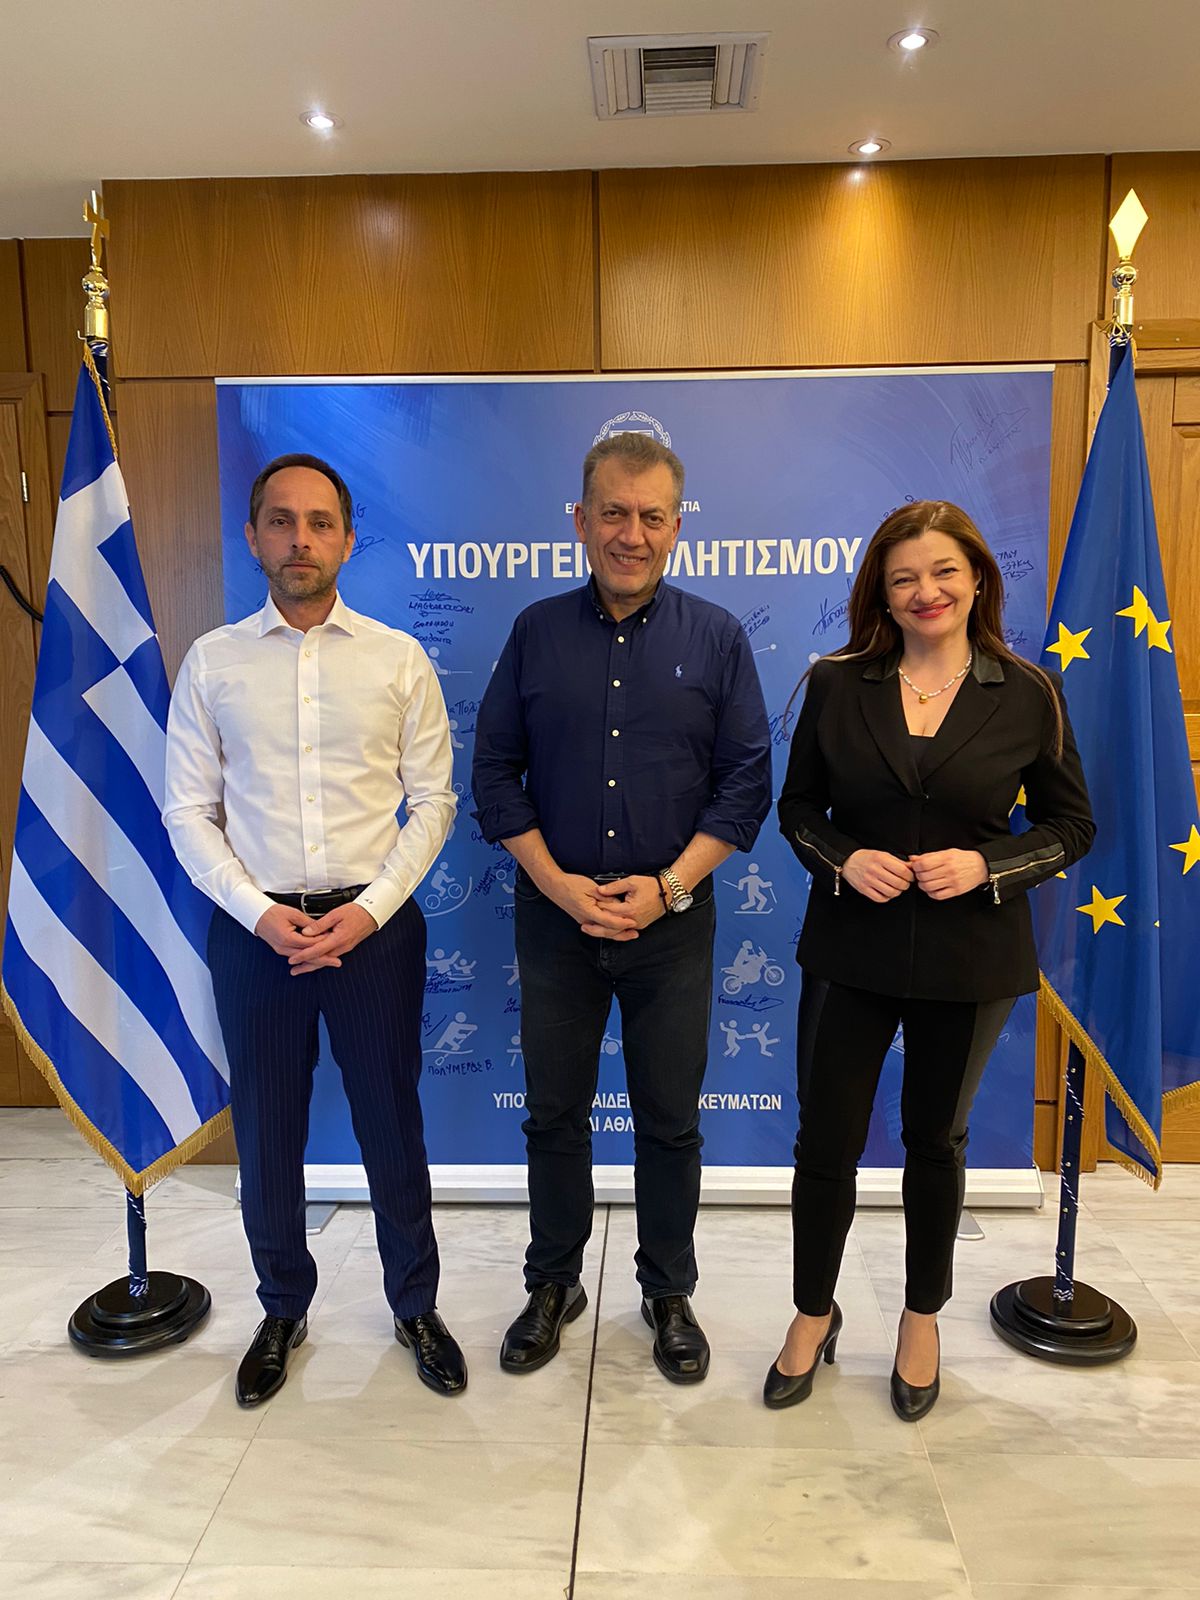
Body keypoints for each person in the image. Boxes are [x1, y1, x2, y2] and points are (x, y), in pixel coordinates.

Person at [767, 500, 1094, 1419]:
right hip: (851, 947)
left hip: (971, 957)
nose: (926, 592)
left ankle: (921, 1319)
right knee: (825, 1142)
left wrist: (988, 866)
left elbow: (1072, 826)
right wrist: (844, 858)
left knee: (934, 1143)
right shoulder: (836, 684)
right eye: (904, 577)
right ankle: (812, 1312)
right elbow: (798, 810)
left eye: (944, 572)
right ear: (881, 592)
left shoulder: (1028, 692)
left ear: (977, 580)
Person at [164, 453, 467, 1406]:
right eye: (282, 521)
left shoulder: (397, 659)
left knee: (390, 1123)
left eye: (320, 523)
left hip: (374, 927)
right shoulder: (213, 662)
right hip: (254, 931)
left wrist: (367, 911)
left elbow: (434, 801)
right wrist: (260, 914)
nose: (301, 539)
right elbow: (187, 812)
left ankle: (415, 1306)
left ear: (347, 539)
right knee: (267, 1130)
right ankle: (282, 1309)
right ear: (252, 536)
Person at [472, 431, 772, 1384]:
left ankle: (667, 1290)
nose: (630, 534)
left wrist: (669, 889)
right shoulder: (534, 633)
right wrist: (560, 887)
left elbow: (746, 785)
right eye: (612, 512)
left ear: (677, 527)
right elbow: (494, 775)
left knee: (670, 1121)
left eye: (650, 516)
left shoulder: (718, 638)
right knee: (553, 1116)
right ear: (580, 520)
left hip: (671, 926)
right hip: (555, 921)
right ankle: (553, 1284)